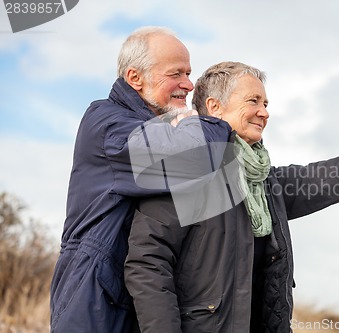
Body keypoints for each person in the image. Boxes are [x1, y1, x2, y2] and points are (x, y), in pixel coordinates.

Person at [124, 61, 339, 333]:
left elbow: (323, 177)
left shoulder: (264, 182)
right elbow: (147, 263)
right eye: (253, 101)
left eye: (266, 104)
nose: (264, 113)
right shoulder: (183, 169)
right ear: (214, 107)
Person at [49, 27, 233, 333]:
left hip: (137, 300)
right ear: (135, 78)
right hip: (95, 300)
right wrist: (214, 122)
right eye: (176, 74)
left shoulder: (158, 127)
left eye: (188, 73)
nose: (188, 84)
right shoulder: (107, 123)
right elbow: (196, 158)